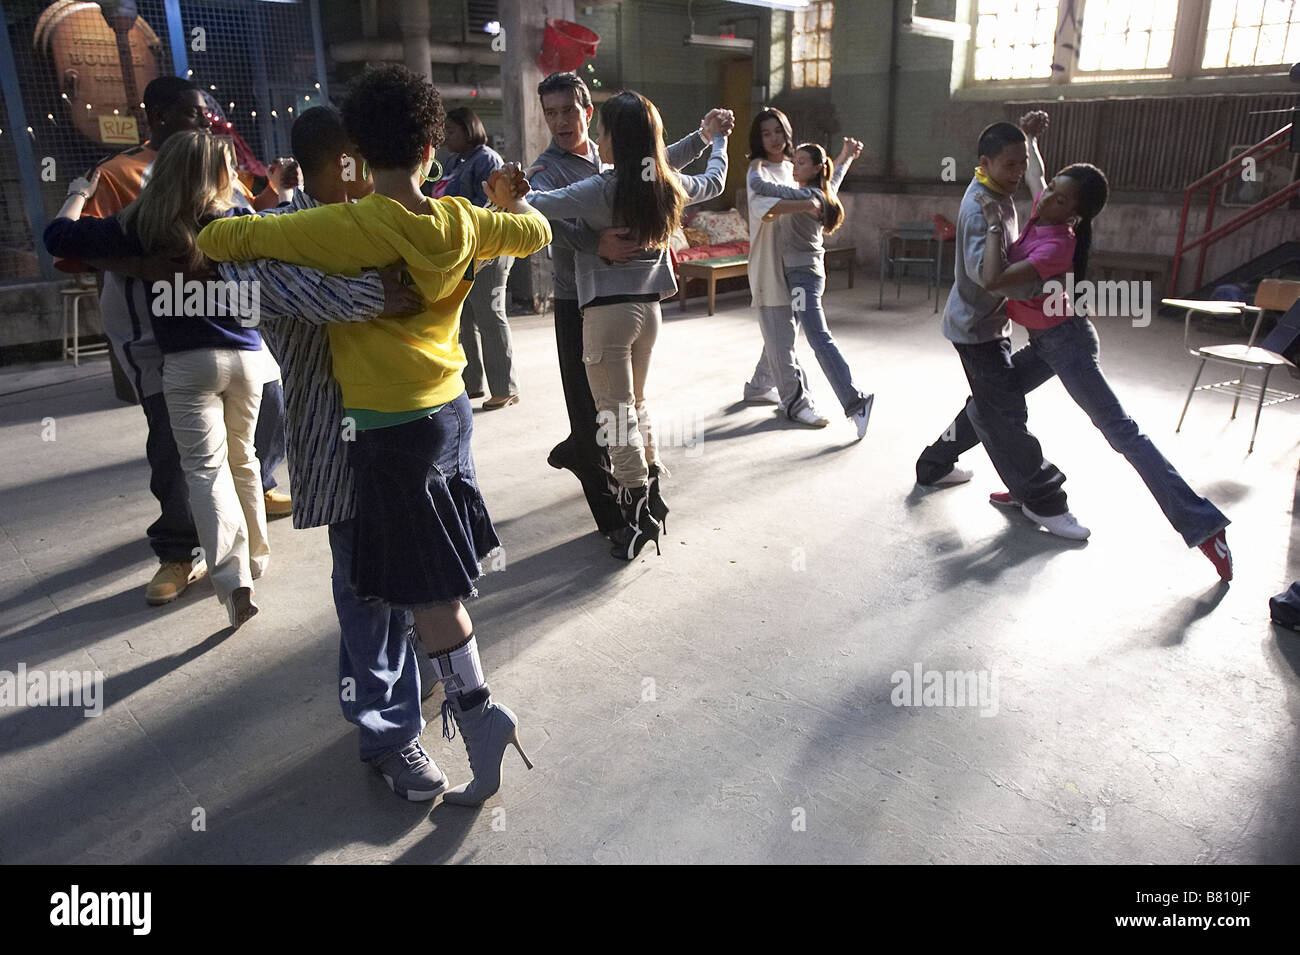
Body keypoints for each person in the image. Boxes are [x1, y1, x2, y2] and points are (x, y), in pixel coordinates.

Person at [197, 64, 552, 805]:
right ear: (433, 146)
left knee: (405, 589)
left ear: (360, 148)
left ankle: (465, 712)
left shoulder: (339, 228)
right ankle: (418, 712)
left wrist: (261, 211)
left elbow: (223, 241)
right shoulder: (459, 218)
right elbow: (534, 229)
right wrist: (506, 203)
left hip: (388, 434)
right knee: (407, 582)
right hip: (448, 412)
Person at [216, 104, 447, 775]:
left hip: (408, 437)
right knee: (368, 592)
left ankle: (378, 695)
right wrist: (374, 293)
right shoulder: (269, 234)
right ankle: (388, 734)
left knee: (391, 583)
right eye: (365, 157)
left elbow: (440, 272)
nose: (378, 171)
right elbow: (277, 288)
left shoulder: (387, 220)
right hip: (339, 447)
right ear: (341, 159)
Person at [76, 75, 293, 608]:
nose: (206, 122)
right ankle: (179, 550)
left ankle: (253, 499)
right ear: (160, 117)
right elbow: (87, 242)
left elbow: (242, 224)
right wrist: (152, 266)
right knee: (178, 452)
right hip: (162, 337)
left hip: (235, 329)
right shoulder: (118, 174)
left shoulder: (219, 162)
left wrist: (278, 195)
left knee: (268, 410)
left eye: (207, 113)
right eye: (195, 113)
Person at [971, 162, 1232, 579]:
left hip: (1067, 343)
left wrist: (992, 225)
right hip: (1044, 340)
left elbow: (997, 280)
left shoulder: (1060, 242)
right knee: (985, 407)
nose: (1048, 196)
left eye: (1060, 197)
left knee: (1122, 433)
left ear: (1073, 214)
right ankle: (1029, 489)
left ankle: (1205, 526)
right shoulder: (1047, 204)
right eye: (1053, 187)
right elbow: (1040, 179)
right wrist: (1033, 142)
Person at [524, 90, 730, 559]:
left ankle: (637, 516)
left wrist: (515, 190)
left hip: (607, 316)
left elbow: (538, 205)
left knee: (614, 418)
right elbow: (715, 181)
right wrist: (714, 140)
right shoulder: (665, 183)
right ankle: (653, 495)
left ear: (616, 138)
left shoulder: (601, 188)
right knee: (636, 407)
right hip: (649, 312)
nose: (597, 139)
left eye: (602, 132)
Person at [914, 121, 1089, 540]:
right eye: (1008, 165)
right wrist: (1033, 280)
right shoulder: (981, 209)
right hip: (975, 328)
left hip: (993, 322)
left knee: (989, 406)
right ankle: (1044, 501)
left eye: (1020, 164)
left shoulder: (1001, 190)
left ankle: (933, 465)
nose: (1017, 173)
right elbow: (990, 277)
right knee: (1007, 414)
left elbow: (1036, 178)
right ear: (985, 164)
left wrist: (1030, 141)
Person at [749, 137, 874, 438]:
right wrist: (846, 157)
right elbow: (837, 177)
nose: (794, 167)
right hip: (803, 273)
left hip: (803, 278)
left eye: (801, 163)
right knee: (783, 330)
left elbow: (763, 188)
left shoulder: (807, 197)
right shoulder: (822, 191)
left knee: (818, 338)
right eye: (795, 162)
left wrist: (754, 165)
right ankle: (760, 385)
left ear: (817, 168)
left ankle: (856, 402)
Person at [740, 108, 833, 428]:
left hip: (796, 262)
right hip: (769, 263)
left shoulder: (794, 166)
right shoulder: (758, 169)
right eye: (766, 133)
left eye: (778, 131)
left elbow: (824, 188)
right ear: (758, 138)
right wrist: (808, 204)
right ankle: (795, 402)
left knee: (783, 330)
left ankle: (758, 386)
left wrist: (845, 158)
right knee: (783, 334)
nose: (774, 139)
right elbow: (768, 208)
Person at [435, 107, 520, 410]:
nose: (447, 136)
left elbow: (491, 208)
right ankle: (471, 384)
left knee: (489, 315)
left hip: (489, 250)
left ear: (469, 130)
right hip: (462, 251)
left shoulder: (486, 160)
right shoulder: (455, 162)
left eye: (453, 131)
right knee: (464, 318)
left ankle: (505, 388)